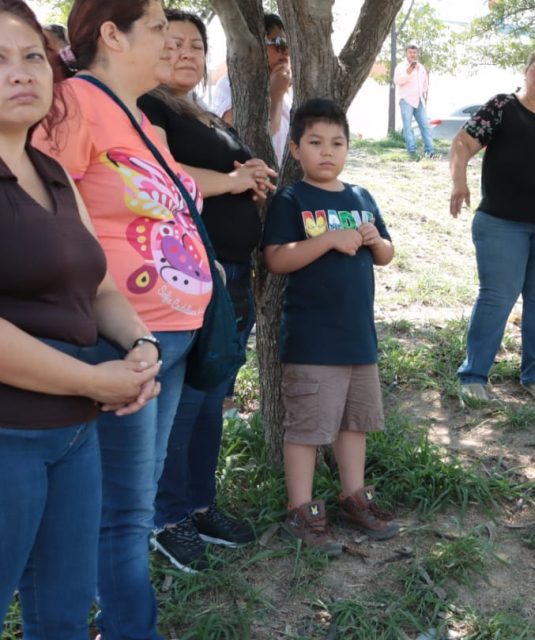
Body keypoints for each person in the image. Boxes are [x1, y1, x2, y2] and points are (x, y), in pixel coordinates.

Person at [35, 0, 213, 635]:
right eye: (161, 28)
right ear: (112, 34)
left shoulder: (144, 120)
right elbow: (45, 219)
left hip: (171, 336)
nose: (172, 41)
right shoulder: (71, 107)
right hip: (123, 340)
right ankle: (128, 627)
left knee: (138, 496)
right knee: (125, 508)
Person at [0, 1, 160, 633]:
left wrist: (141, 343)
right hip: (7, 437)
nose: (21, 72)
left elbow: (99, 290)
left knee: (63, 615)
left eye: (33, 55)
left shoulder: (53, 173)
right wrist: (97, 381)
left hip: (72, 437)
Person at [140, 9, 274, 573]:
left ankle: (199, 503)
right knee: (182, 403)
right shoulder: (144, 106)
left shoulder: (197, 110)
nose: (185, 54)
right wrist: (237, 180)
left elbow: (218, 172)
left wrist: (252, 172)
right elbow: (165, 176)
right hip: (189, 277)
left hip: (231, 275)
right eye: (171, 44)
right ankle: (165, 517)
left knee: (211, 400)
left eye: (195, 45)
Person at [262, 98, 399, 556]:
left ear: (348, 146)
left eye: (337, 143)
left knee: (354, 422)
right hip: (312, 340)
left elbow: (386, 253)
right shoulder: (291, 198)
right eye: (316, 143)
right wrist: (325, 241)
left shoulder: (360, 197)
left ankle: (352, 497)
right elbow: (277, 259)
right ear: (296, 150)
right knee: (306, 427)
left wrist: (376, 241)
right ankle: (300, 508)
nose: (328, 152)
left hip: (359, 337)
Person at [450, 48, 535, 405]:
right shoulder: (502, 107)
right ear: (525, 73)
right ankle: (474, 376)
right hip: (501, 221)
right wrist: (459, 182)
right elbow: (463, 142)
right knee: (497, 296)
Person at [210, 12, 290, 165]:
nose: (285, 51)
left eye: (288, 44)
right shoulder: (229, 84)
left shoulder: (286, 94)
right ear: (256, 45)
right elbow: (254, 136)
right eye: (278, 42)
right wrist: (276, 95)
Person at [394, 43, 434, 158]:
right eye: (410, 52)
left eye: (414, 52)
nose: (413, 55)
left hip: (419, 101)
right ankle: (412, 151)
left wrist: (423, 93)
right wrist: (408, 72)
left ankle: (430, 151)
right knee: (408, 127)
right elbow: (397, 81)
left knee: (425, 126)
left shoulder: (421, 67)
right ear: (406, 53)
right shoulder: (401, 67)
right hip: (406, 101)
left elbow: (425, 82)